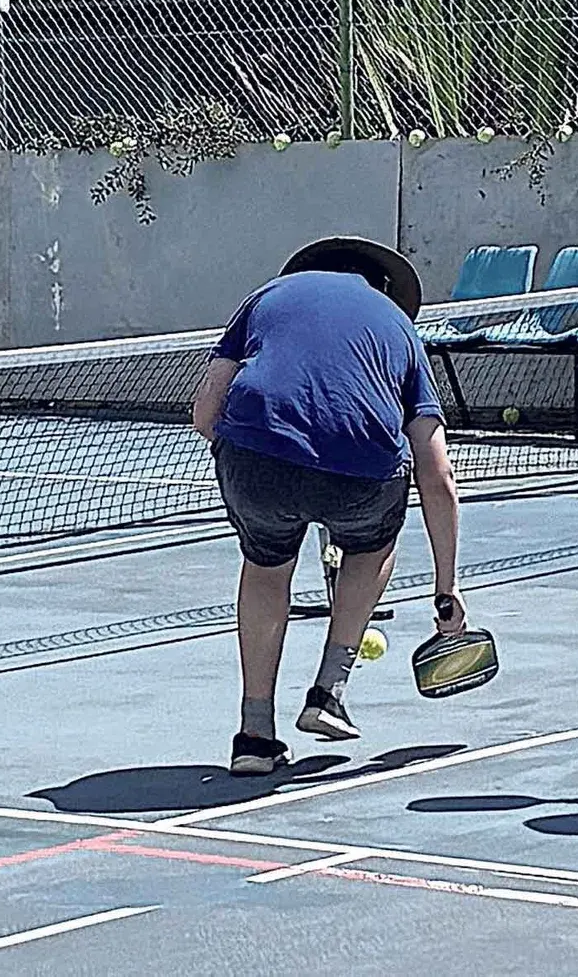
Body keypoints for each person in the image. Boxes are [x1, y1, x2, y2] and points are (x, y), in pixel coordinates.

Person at [191, 237, 467, 776]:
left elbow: (206, 412)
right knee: (371, 547)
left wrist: (249, 457)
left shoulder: (264, 299)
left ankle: (254, 734)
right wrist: (446, 587)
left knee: (266, 568)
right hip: (361, 475)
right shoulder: (397, 327)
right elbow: (437, 476)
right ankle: (329, 692)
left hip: (256, 460)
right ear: (383, 286)